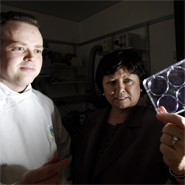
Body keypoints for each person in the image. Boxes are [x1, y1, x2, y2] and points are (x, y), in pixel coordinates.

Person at [72, 49, 185, 184]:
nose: (120, 89)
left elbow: (178, 178)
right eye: (111, 82)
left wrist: (181, 170)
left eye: (127, 80)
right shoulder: (92, 119)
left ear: (141, 84)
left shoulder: (158, 124)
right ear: (102, 88)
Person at [0, 11, 71, 184]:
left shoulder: (46, 104)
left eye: (38, 50)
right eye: (19, 48)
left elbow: (63, 154)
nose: (32, 57)